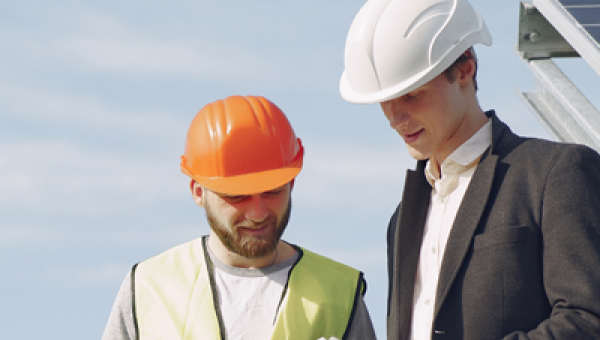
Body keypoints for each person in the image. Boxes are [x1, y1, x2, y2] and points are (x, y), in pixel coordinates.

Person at [339, 0, 600, 339]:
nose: (395, 119)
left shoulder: (556, 174)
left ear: (464, 69)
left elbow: (589, 318)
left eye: (412, 95)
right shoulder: (401, 220)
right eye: (384, 102)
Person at [101, 95, 377, 340]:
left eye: (272, 192)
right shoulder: (149, 287)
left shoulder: (339, 295)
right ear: (198, 192)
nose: (257, 214)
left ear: (292, 183)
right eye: (236, 196)